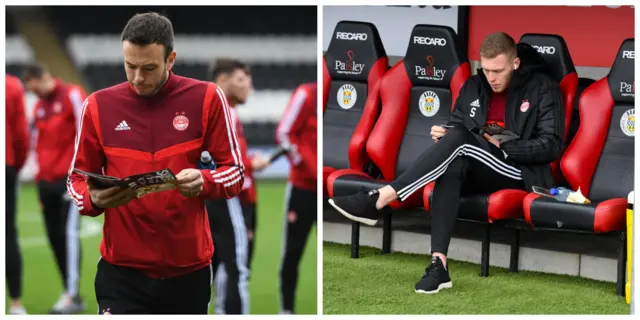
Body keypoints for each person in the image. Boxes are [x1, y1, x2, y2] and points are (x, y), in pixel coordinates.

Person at [329, 32, 564, 294]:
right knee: (452, 162)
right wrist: (445, 133)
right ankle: (438, 264)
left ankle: (381, 196)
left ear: (515, 64)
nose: (492, 78)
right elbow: (458, 124)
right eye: (486, 70)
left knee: (460, 141)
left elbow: (551, 145)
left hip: (520, 170)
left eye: (498, 71)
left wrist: (505, 145)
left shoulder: (542, 87)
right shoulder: (475, 85)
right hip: (478, 163)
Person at [66, 12, 244, 314]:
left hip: (189, 271)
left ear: (170, 59)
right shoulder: (97, 106)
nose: (137, 78)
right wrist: (92, 199)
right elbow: (75, 179)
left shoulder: (207, 98)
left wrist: (205, 181)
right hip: (120, 274)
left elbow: (235, 172)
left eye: (148, 68)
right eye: (130, 66)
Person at [22, 64, 87, 314]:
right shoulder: (39, 107)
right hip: (45, 183)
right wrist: (39, 179)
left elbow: (86, 131)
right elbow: (37, 146)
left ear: (41, 79)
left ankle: (72, 296)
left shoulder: (72, 94)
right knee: (54, 238)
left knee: (69, 234)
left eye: (33, 86)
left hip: (68, 180)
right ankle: (68, 291)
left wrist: (81, 174)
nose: (33, 92)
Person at [206, 58, 254, 314]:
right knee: (238, 267)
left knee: (205, 267)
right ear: (222, 81)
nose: (248, 85)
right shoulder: (226, 111)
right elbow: (230, 165)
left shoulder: (202, 107)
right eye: (241, 79)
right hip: (224, 195)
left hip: (202, 196)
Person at [266, 81, 318, 314]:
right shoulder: (307, 95)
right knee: (292, 252)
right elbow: (284, 132)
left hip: (328, 188)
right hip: (303, 189)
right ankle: (286, 311)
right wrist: (306, 166)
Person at [5, 74, 30, 315]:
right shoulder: (11, 85)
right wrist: (14, 166)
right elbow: (22, 134)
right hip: (6, 164)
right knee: (8, 234)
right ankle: (15, 303)